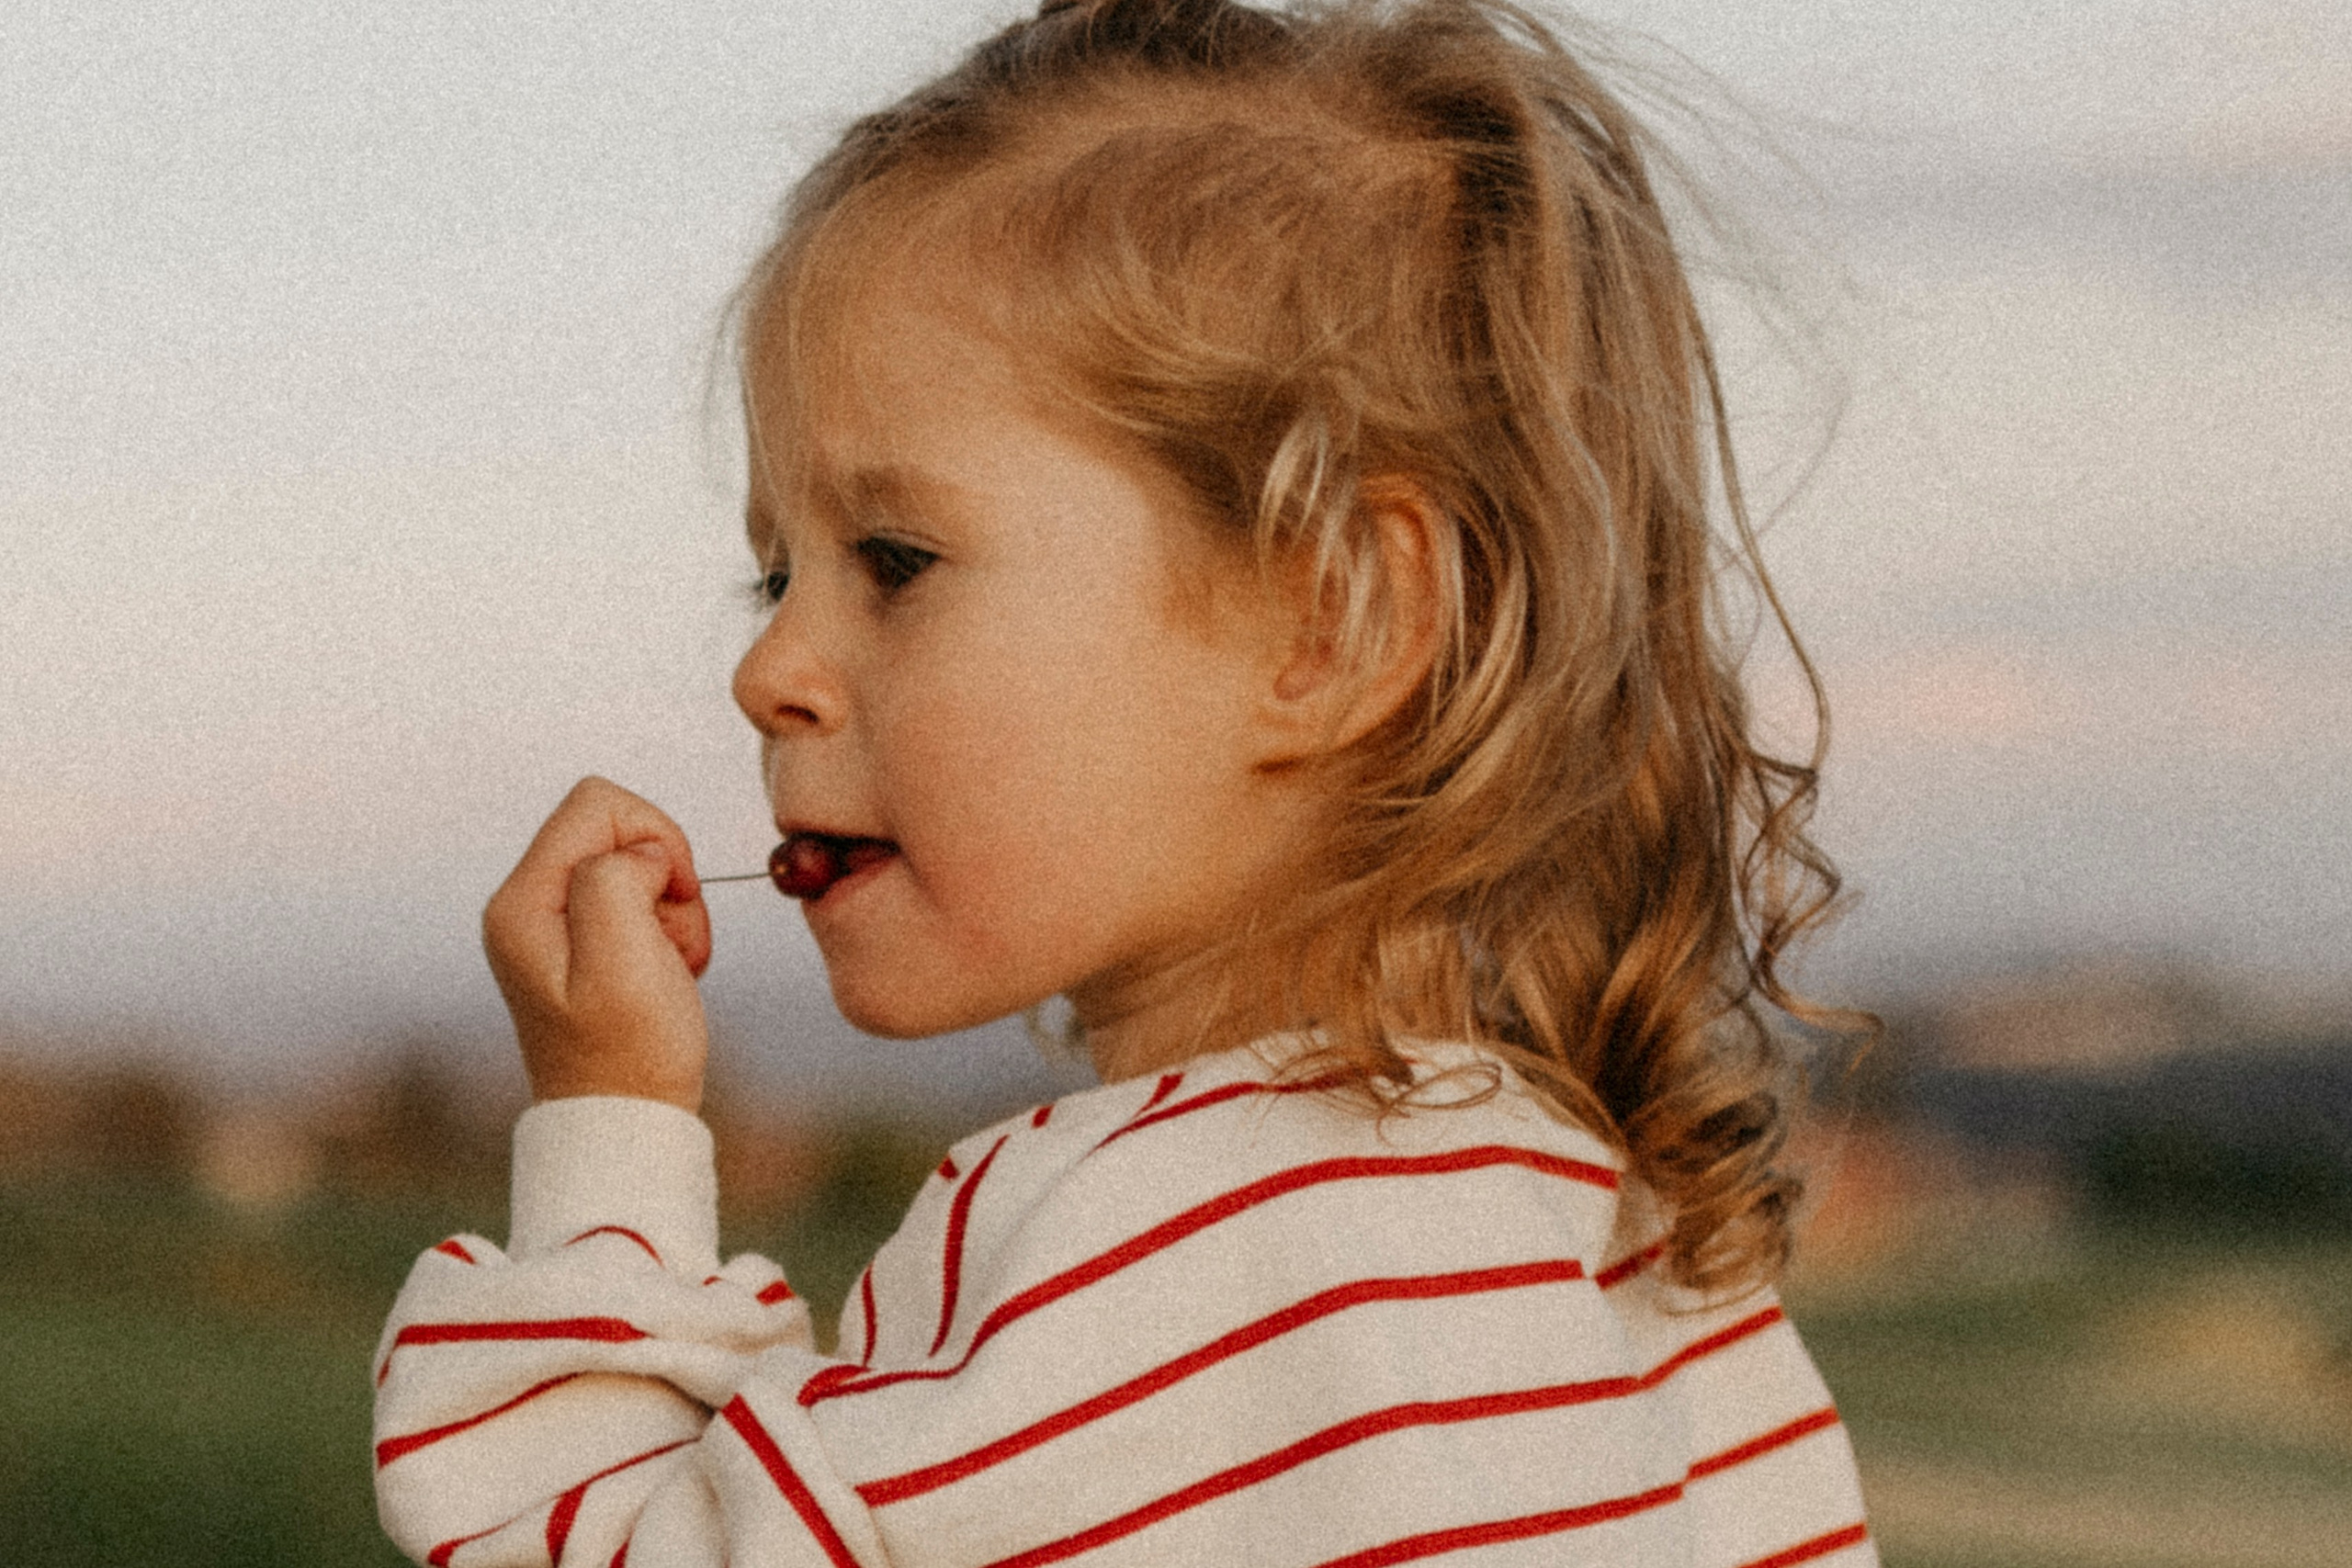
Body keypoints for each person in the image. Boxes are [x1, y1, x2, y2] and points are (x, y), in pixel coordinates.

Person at [371, 2, 1878, 1563]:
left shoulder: (1168, 1263)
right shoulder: (1619, 1249)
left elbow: (581, 1541)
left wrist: (608, 1126)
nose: (770, 673)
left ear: (1332, 621)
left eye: (894, 561)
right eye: (775, 580)